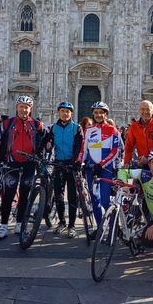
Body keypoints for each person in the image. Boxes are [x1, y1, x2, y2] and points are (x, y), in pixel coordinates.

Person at [0, 96, 46, 240]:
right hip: (11, 162)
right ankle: (3, 226)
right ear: (16, 108)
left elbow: (45, 141)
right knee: (9, 193)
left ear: (30, 109)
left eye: (26, 107)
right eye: (21, 106)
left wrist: (42, 155)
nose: (23, 110)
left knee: (25, 195)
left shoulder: (38, 125)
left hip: (29, 163)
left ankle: (19, 223)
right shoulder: (8, 123)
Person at [42, 102, 84, 238]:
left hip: (71, 166)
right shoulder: (54, 128)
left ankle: (72, 225)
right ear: (58, 113)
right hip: (59, 164)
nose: (65, 113)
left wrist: (75, 162)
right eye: (63, 111)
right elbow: (49, 144)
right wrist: (48, 147)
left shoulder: (76, 128)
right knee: (58, 196)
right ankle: (62, 222)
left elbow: (79, 147)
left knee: (72, 196)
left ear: (71, 113)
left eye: (68, 111)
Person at [77, 102, 121, 226]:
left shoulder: (113, 130)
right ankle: (100, 228)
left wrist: (101, 164)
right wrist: (79, 162)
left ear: (106, 114)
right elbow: (84, 149)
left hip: (105, 169)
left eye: (101, 112)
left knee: (105, 202)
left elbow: (114, 151)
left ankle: (113, 228)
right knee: (94, 201)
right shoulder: (89, 130)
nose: (98, 115)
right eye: (96, 112)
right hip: (91, 169)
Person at [123, 100, 153, 169]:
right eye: (142, 109)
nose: (145, 112)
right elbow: (129, 146)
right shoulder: (134, 126)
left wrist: (148, 158)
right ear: (139, 111)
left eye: (148, 109)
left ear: (152, 111)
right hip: (141, 162)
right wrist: (126, 162)